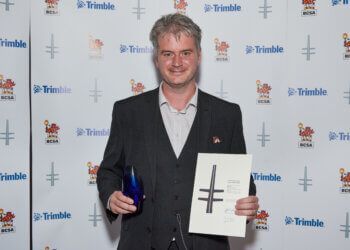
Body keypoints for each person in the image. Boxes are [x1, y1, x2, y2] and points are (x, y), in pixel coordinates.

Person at [97, 13, 259, 250]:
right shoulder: (127, 112)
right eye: (168, 53)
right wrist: (112, 196)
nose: (177, 62)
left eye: (185, 53)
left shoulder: (228, 115)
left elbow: (243, 182)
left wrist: (247, 205)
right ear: (156, 59)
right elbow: (109, 170)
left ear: (199, 56)